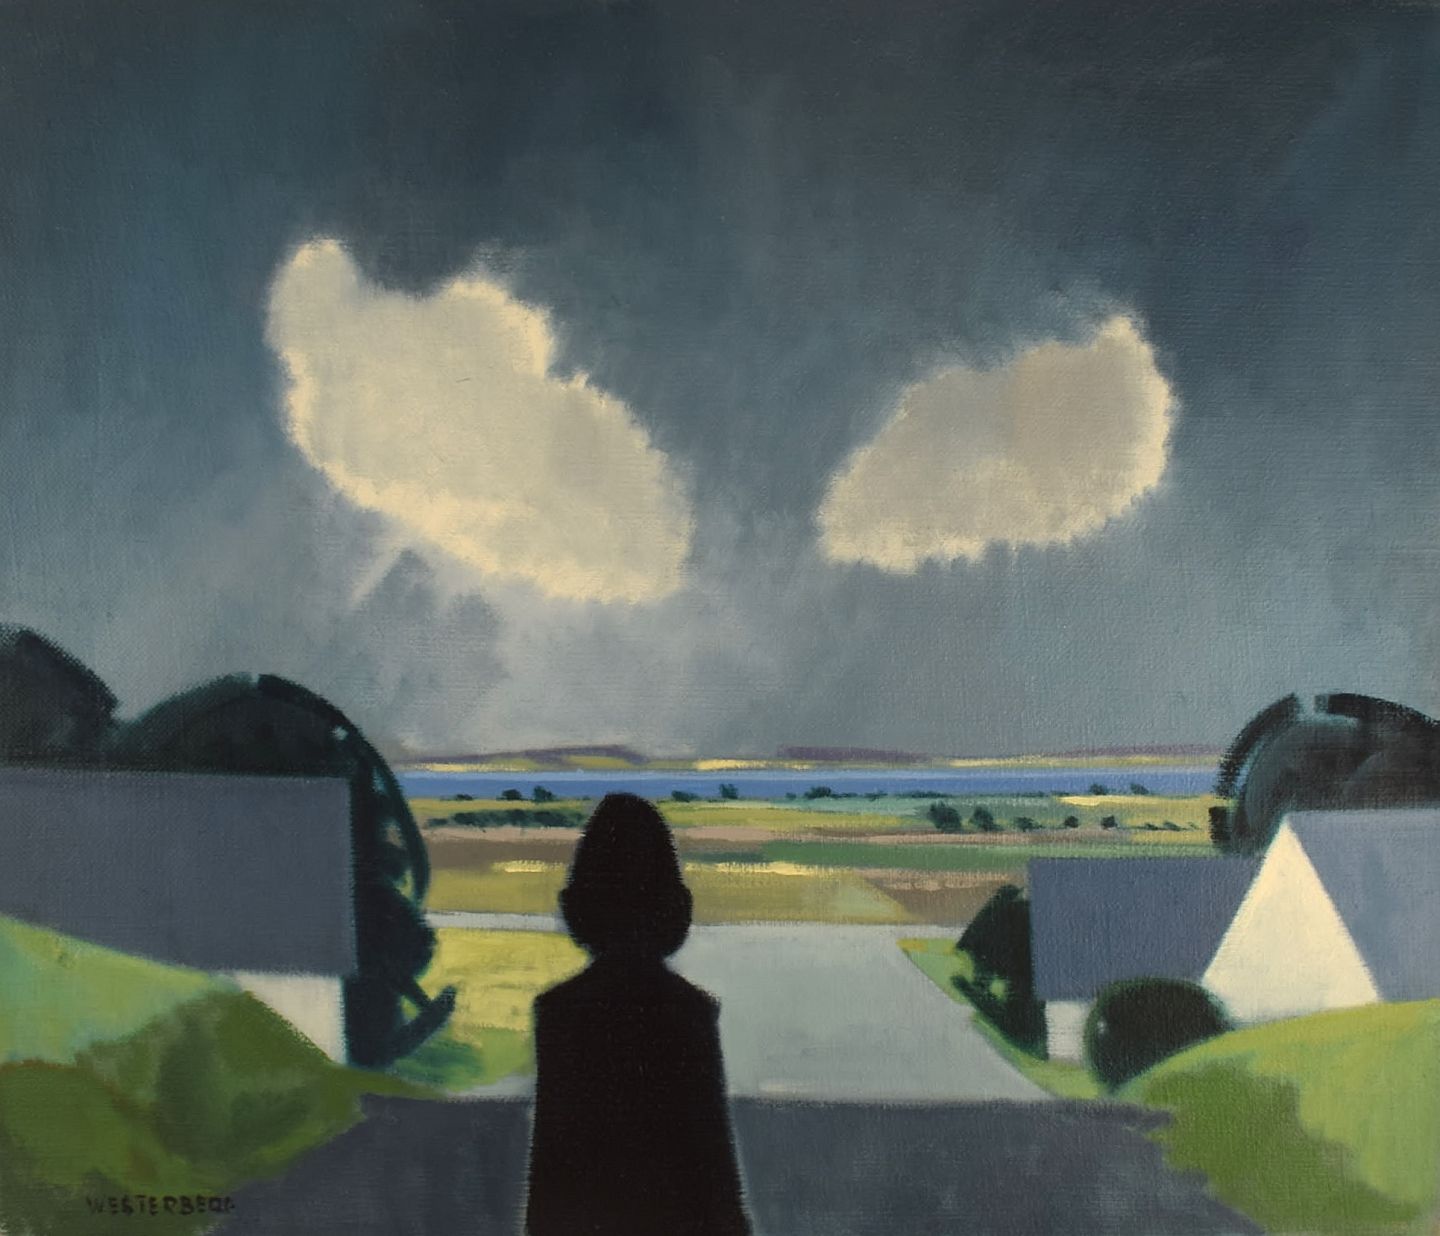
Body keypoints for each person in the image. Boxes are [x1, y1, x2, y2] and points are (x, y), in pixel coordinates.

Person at [525, 793, 750, 1236]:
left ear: (581, 903)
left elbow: (550, 1178)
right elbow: (714, 1174)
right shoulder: (688, 1012)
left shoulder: (561, 1013)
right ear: (672, 904)